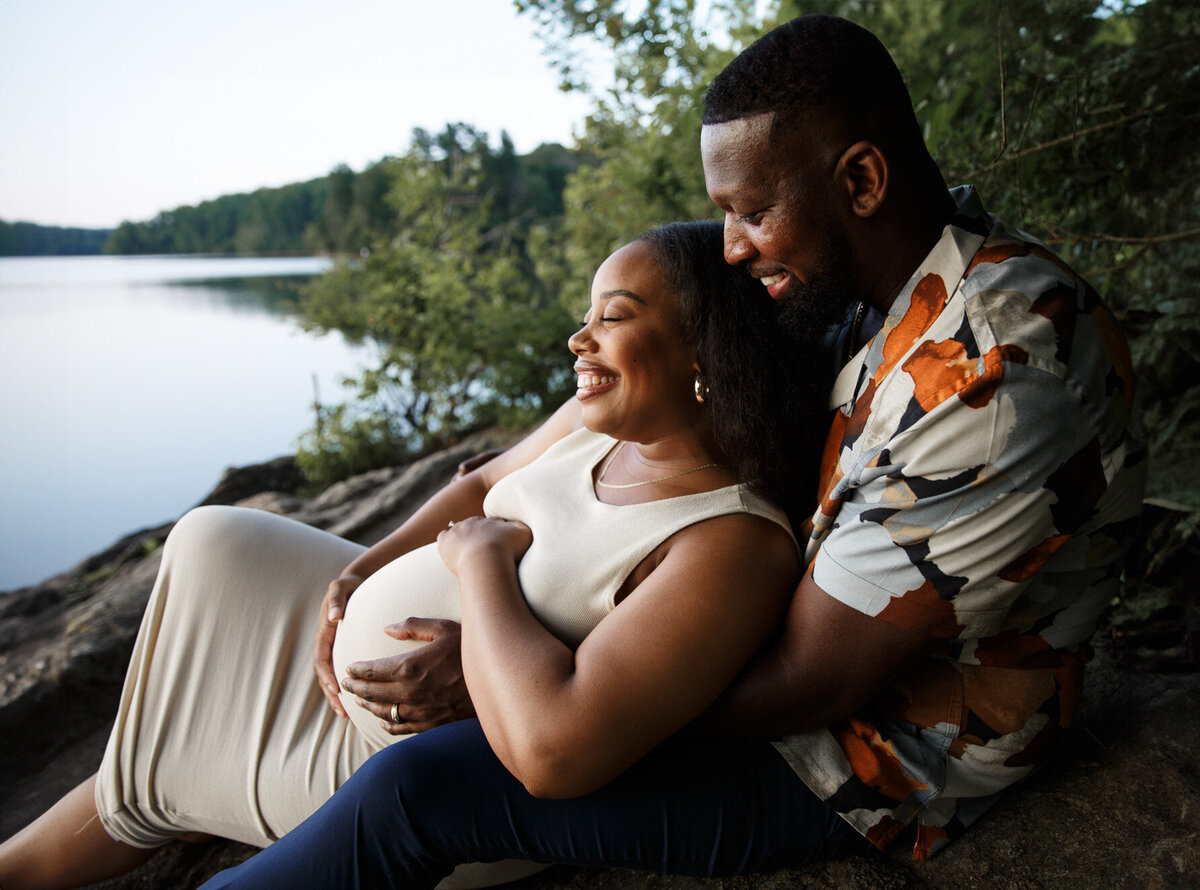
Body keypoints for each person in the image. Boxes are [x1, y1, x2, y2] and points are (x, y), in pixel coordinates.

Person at [192, 12, 1147, 887]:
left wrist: (502, 673)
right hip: (733, 652)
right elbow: (565, 439)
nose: (731, 247)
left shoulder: (993, 375)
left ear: (861, 181)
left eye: (750, 211)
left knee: (420, 793)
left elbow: (811, 683)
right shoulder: (871, 283)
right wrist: (383, 568)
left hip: (862, 760)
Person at [0, 221, 838, 890]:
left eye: (613, 317)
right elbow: (477, 484)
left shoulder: (730, 541)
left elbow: (558, 744)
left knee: (172, 756)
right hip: (360, 686)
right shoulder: (605, 425)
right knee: (214, 552)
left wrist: (481, 575)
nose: (579, 340)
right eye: (586, 316)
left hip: (402, 761)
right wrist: (362, 572)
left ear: (702, 350)